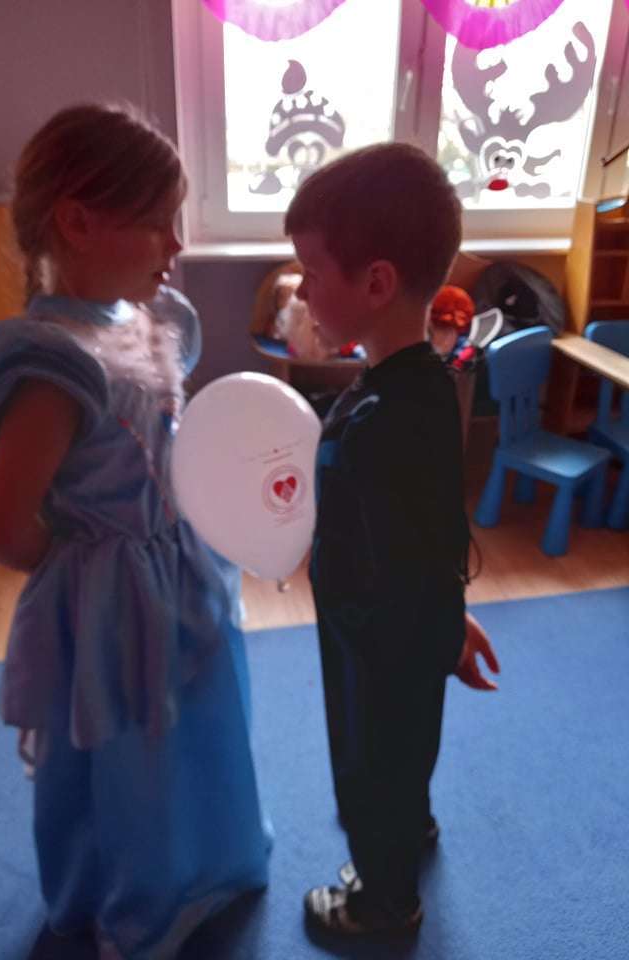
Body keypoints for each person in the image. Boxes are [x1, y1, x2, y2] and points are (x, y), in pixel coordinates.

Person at [0, 103, 269, 960]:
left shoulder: (152, 318)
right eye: (158, 222)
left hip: (182, 569)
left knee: (196, 722)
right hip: (112, 595)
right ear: (79, 223)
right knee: (132, 753)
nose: (177, 244)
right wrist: (84, 573)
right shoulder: (54, 364)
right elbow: (1, 525)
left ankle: (208, 862)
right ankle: (142, 902)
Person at [284, 142, 500, 937]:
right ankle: (407, 830)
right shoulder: (421, 385)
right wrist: (449, 618)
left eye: (311, 271)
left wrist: (432, 626)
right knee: (405, 752)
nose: (301, 290)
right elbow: (431, 528)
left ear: (376, 283)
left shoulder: (384, 420)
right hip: (399, 634)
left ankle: (384, 902)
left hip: (374, 645)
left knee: (369, 768)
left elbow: (409, 546)